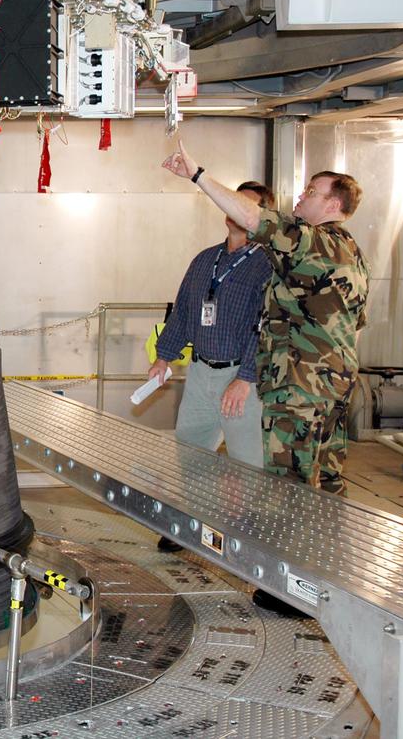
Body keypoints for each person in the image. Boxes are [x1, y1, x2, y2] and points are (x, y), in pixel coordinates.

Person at [162, 141, 369, 498]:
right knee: (326, 485)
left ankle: (283, 552)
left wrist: (197, 174)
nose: (301, 198)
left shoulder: (314, 243)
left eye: (311, 192)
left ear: (333, 205)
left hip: (301, 393)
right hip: (329, 388)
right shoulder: (348, 251)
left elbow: (255, 220)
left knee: (287, 489)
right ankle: (320, 549)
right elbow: (358, 325)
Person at [148, 181, 274, 552]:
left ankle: (252, 543)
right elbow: (184, 311)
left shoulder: (268, 266)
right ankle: (190, 527)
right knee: (192, 452)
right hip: (202, 373)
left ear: (260, 217)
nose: (235, 209)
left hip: (241, 380)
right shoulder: (205, 260)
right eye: (232, 202)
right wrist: (164, 355)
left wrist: (246, 377)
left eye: (245, 205)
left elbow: (264, 327)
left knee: (248, 463)